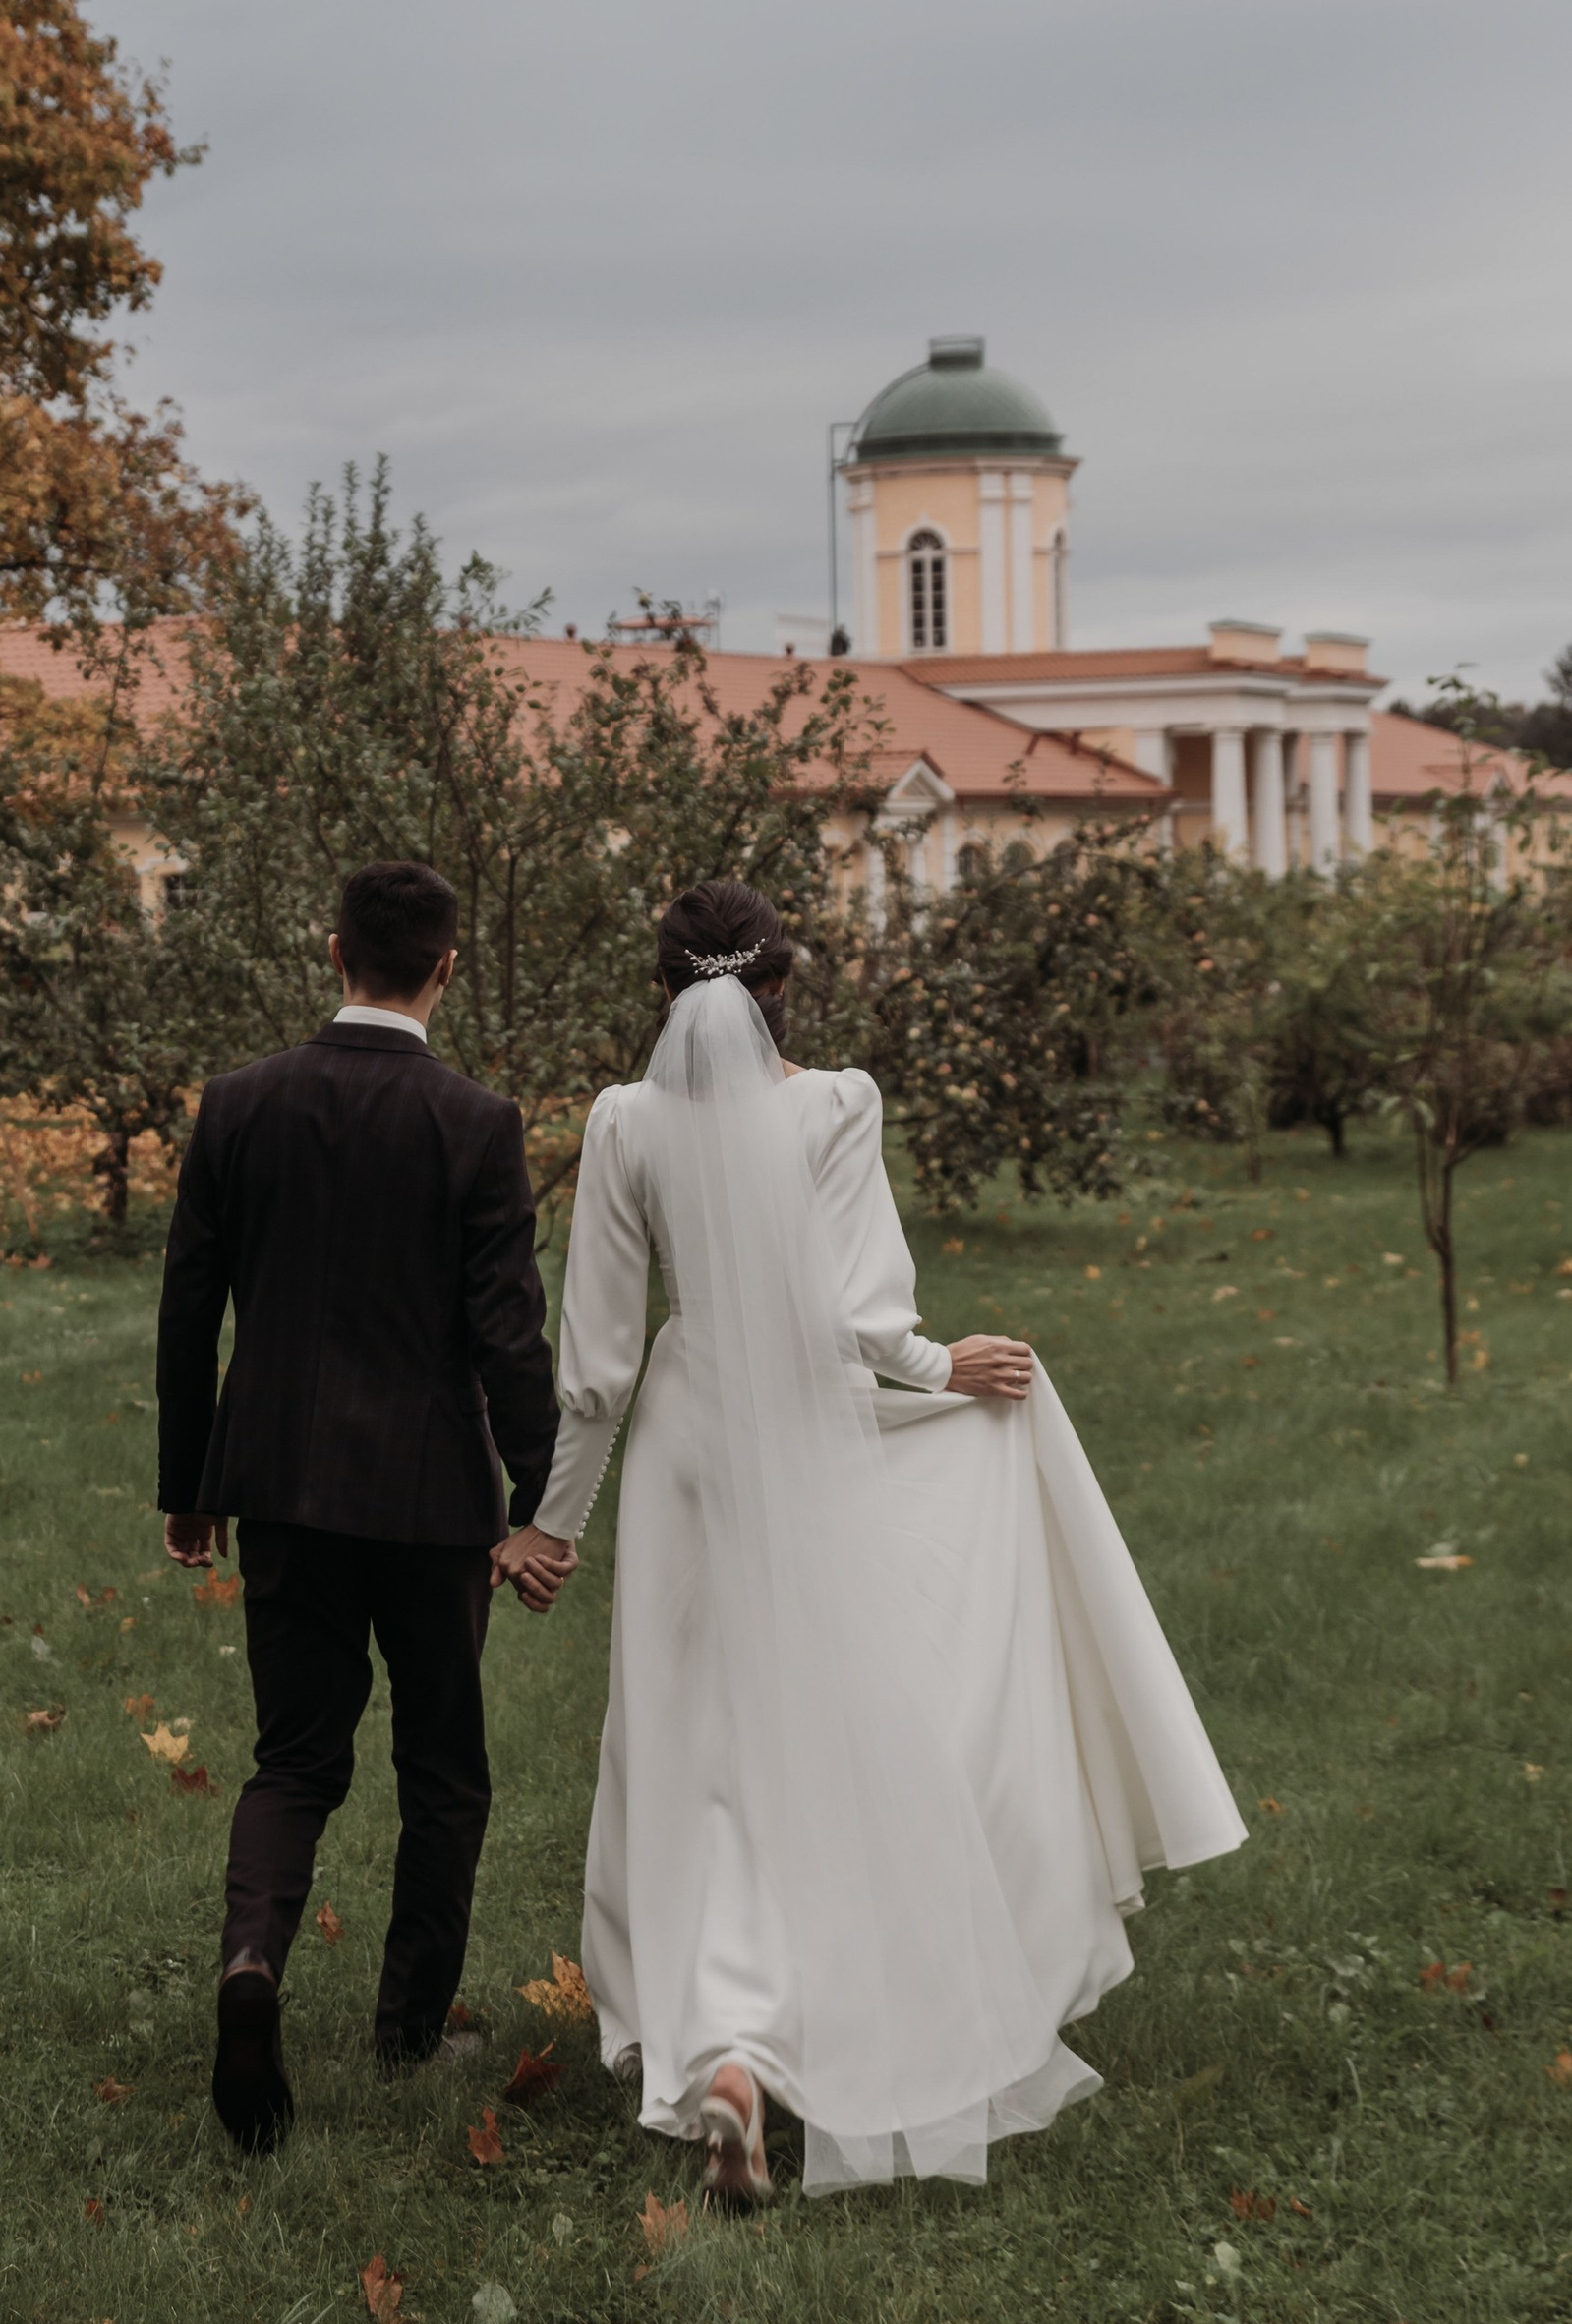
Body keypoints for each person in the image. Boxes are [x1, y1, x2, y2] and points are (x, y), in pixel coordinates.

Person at [502, 879, 1244, 2206]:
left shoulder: (623, 1123)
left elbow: (600, 1364)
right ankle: (798, 2023)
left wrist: (552, 1525)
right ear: (780, 988)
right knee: (822, 1728)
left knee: (693, 1746)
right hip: (808, 1427)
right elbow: (862, 1308)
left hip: (684, 1447)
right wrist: (941, 1367)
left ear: (665, 995)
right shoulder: (837, 1104)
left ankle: (725, 2051)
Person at [156, 859, 574, 2152]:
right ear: (447, 966)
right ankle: (408, 2029)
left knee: (295, 1760)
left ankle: (251, 1960)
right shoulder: (476, 1123)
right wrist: (539, 1502)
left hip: (281, 1488)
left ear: (333, 951)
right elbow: (509, 1337)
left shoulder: (238, 1105)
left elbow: (188, 1310)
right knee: (442, 1770)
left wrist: (191, 1484)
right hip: (433, 1504)